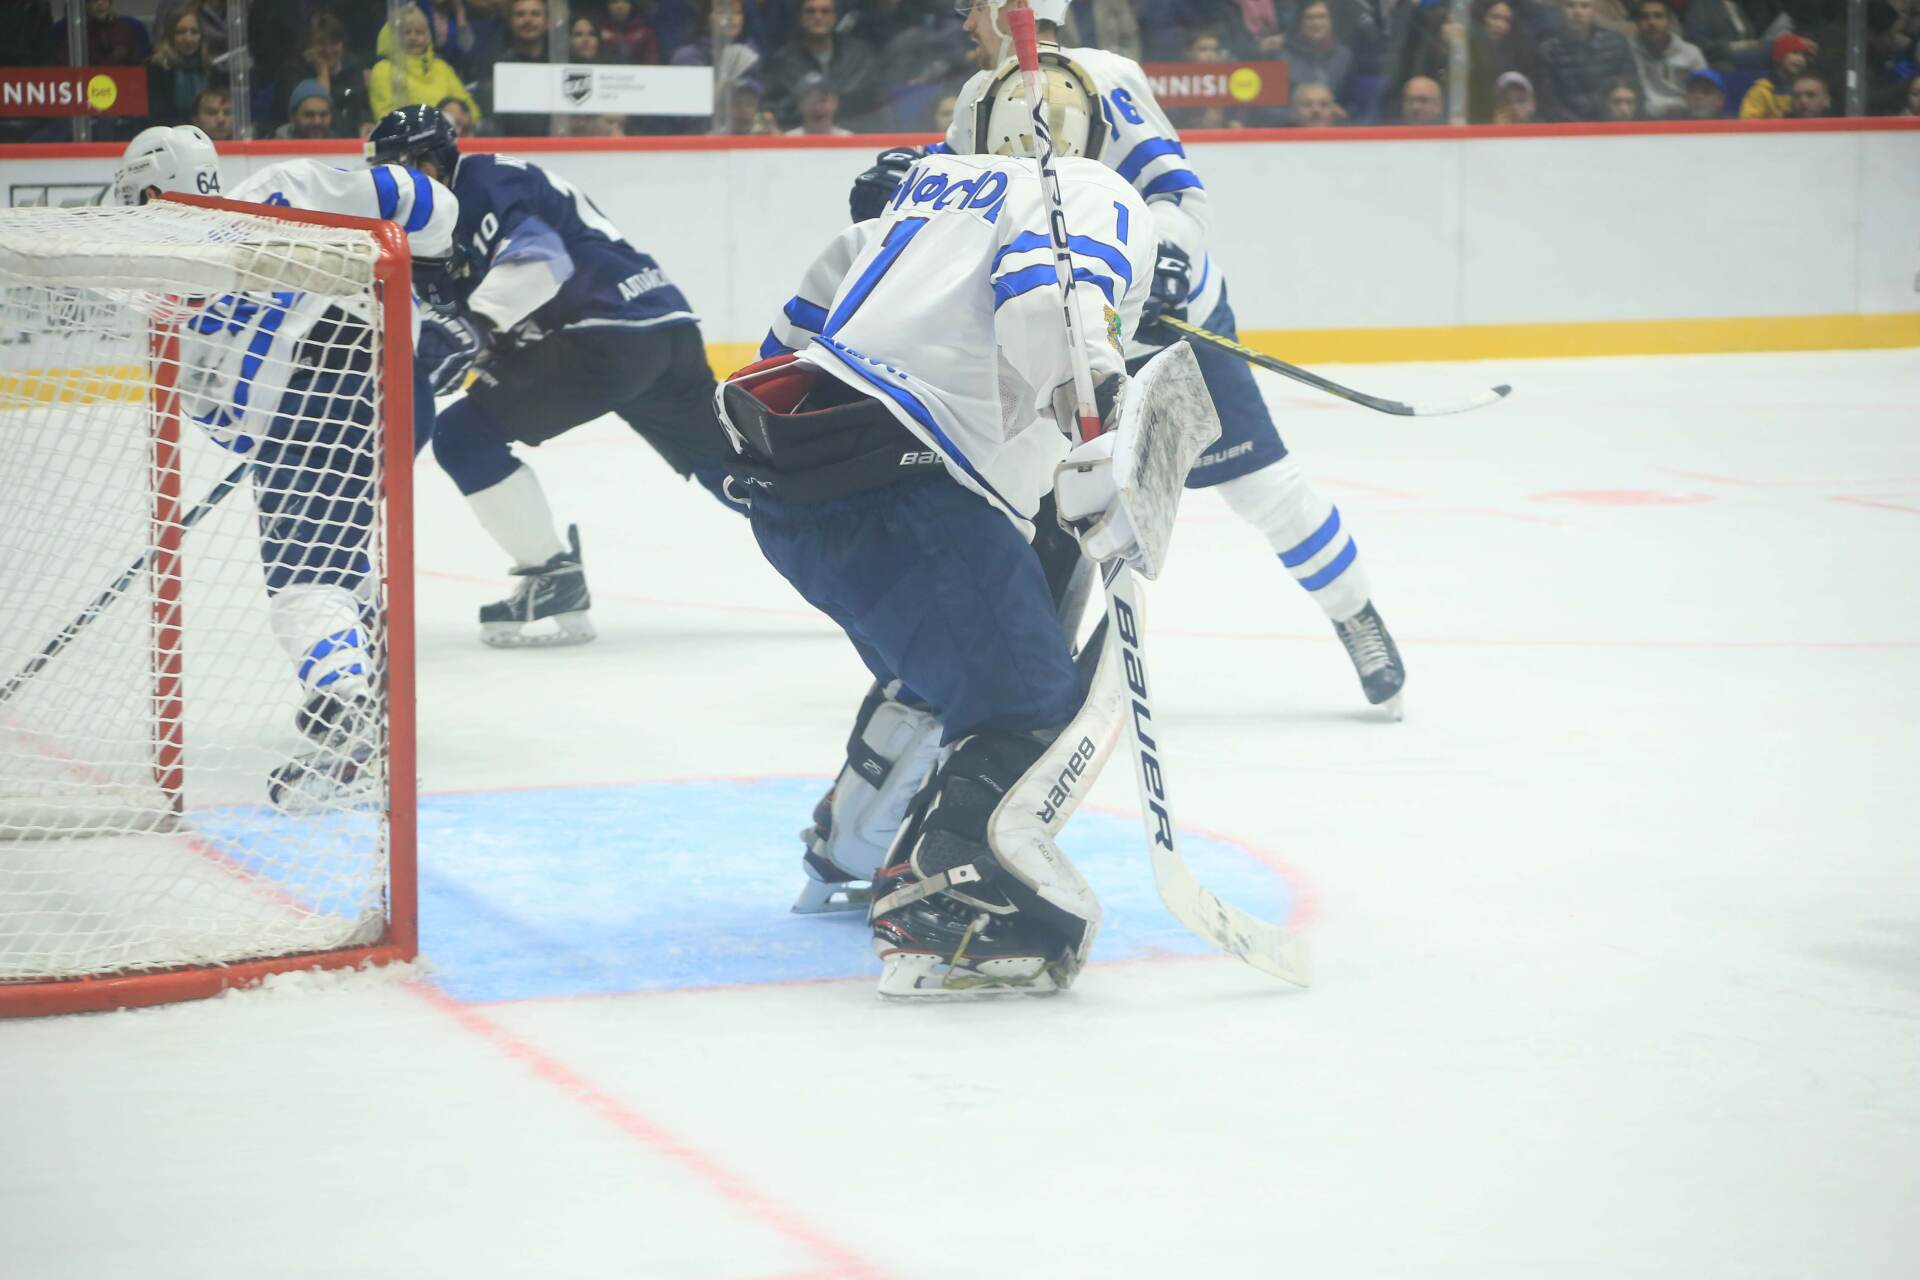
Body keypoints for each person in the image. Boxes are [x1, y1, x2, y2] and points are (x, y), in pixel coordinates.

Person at [798, 0, 1412, 929]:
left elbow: (1181, 200)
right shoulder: (979, 91)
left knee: (1261, 488)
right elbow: (981, 189)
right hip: (1049, 332)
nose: (963, 21)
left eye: (975, 7)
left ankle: (1355, 615)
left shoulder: (1104, 77)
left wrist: (1158, 267)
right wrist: (908, 180)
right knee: (1036, 558)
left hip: (1163, 325)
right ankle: (920, 799)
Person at [731, 138, 1156, 996]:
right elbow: (1049, 297)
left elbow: (792, 335)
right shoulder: (1081, 184)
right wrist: (1100, 405)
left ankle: (853, 846)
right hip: (910, 486)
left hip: (792, 485)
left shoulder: (923, 196)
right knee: (1024, 704)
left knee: (935, 668)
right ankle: (948, 903)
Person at [110, 125, 458, 809]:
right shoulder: (275, 192)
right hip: (378, 388)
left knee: (303, 582)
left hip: (323, 394)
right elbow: (419, 196)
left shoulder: (221, 241)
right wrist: (434, 248)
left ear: (150, 193)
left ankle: (352, 728)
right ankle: (373, 693)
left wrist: (430, 255)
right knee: (338, 559)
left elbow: (210, 410)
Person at [365, 105, 738, 647]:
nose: (389, 189)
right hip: (662, 326)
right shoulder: (453, 207)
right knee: (732, 468)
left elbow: (542, 262)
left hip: (601, 334)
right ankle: (831, 520)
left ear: (431, 163)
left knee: (463, 437)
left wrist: (473, 329)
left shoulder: (477, 188)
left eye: (397, 170)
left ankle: (553, 577)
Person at [762, 0, 879, 131]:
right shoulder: (782, 62)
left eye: (825, 11)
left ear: (835, 16)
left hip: (855, 138)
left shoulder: (860, 57)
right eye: (810, 11)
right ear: (800, 17)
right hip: (800, 139)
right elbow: (772, 109)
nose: (818, 17)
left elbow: (873, 103)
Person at [369, 4, 482, 124]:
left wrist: (468, 120)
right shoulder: (383, 70)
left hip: (450, 132)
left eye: (419, 33)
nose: (413, 38)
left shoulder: (442, 68)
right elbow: (385, 116)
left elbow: (468, 106)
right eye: (406, 33)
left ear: (428, 37)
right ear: (394, 37)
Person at [1538, 0, 1637, 120]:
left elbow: (1630, 86)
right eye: (1570, 6)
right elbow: (1550, 100)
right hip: (1569, 124)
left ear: (1595, 11)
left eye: (1585, 6)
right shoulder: (1549, 49)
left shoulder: (1616, 43)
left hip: (1613, 120)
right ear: (1559, 10)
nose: (1577, 13)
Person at [1628, 0, 1705, 117]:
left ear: (1669, 21)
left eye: (1658, 16)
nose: (1651, 22)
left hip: (1686, 116)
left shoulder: (1691, 53)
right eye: (1645, 17)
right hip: (1643, 118)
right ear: (1637, 23)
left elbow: (1703, 93)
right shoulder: (1628, 51)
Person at [146, 6, 218, 128]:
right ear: (170, 36)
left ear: (201, 37)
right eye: (181, 32)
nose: (188, 39)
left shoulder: (211, 69)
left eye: (194, 32)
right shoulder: (155, 70)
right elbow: (157, 116)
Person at [1741, 33, 1816, 118]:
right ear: (1780, 56)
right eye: (1795, 53)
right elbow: (1749, 123)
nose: (1800, 59)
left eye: (1803, 56)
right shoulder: (1762, 91)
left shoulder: (1805, 90)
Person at [783, 73, 852, 134]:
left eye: (823, 100)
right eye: (811, 101)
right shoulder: (788, 141)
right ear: (800, 105)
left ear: (834, 103)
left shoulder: (849, 140)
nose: (817, 107)